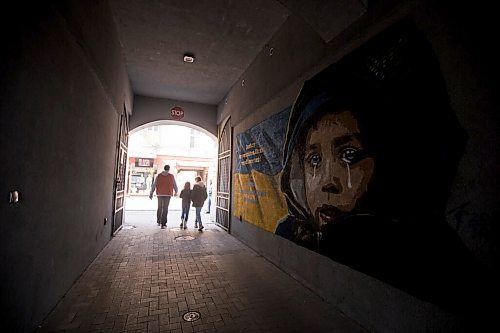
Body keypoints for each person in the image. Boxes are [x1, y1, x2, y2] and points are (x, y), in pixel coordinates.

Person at [276, 20, 491, 316]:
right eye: (314, 160)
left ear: (395, 163)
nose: (327, 182)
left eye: (349, 155)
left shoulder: (437, 265)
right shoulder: (292, 232)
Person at [149, 165, 178, 229]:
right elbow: (175, 185)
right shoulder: (171, 176)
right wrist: (176, 191)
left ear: (164, 168)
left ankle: (159, 221)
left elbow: (154, 185)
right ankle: (163, 223)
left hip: (160, 194)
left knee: (159, 207)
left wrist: (151, 193)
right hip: (168, 194)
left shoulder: (158, 176)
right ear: (169, 169)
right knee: (165, 208)